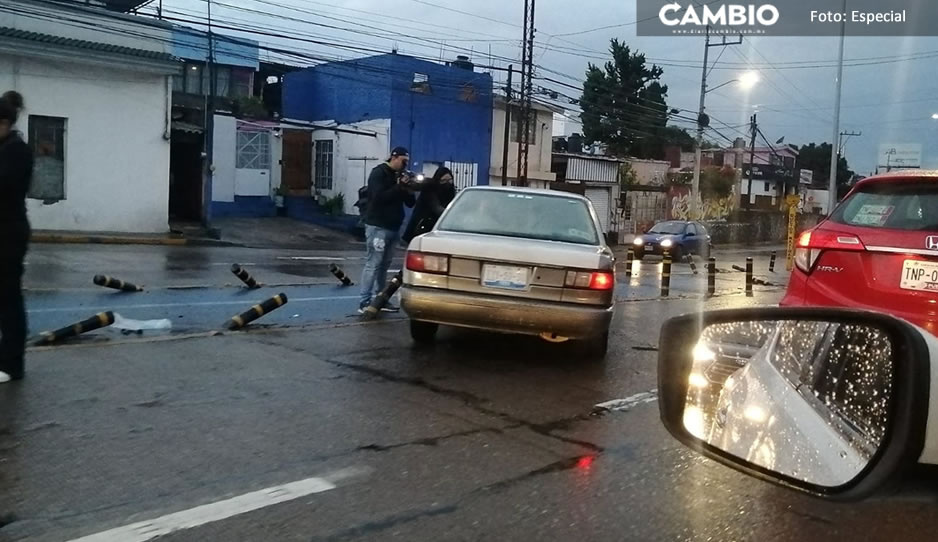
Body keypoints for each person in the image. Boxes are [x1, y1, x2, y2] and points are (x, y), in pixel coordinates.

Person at [0, 91, 33, 383]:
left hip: (9, 234)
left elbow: (5, 187)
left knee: (9, 298)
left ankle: (12, 365)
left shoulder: (16, 151)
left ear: (6, 123)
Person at [359, 147, 415, 313]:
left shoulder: (400, 176)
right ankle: (364, 301)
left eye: (407, 162)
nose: (404, 165)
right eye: (403, 161)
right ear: (394, 157)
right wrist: (398, 187)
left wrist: (408, 188)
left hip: (393, 226)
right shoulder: (379, 173)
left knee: (384, 265)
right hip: (378, 226)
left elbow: (410, 203)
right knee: (373, 264)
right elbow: (378, 198)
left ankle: (380, 298)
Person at [401, 166, 456, 244]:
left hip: (438, 230)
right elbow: (436, 208)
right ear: (438, 180)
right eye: (443, 180)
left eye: (450, 180)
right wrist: (451, 214)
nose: (447, 183)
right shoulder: (430, 189)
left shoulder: (451, 192)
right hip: (421, 228)